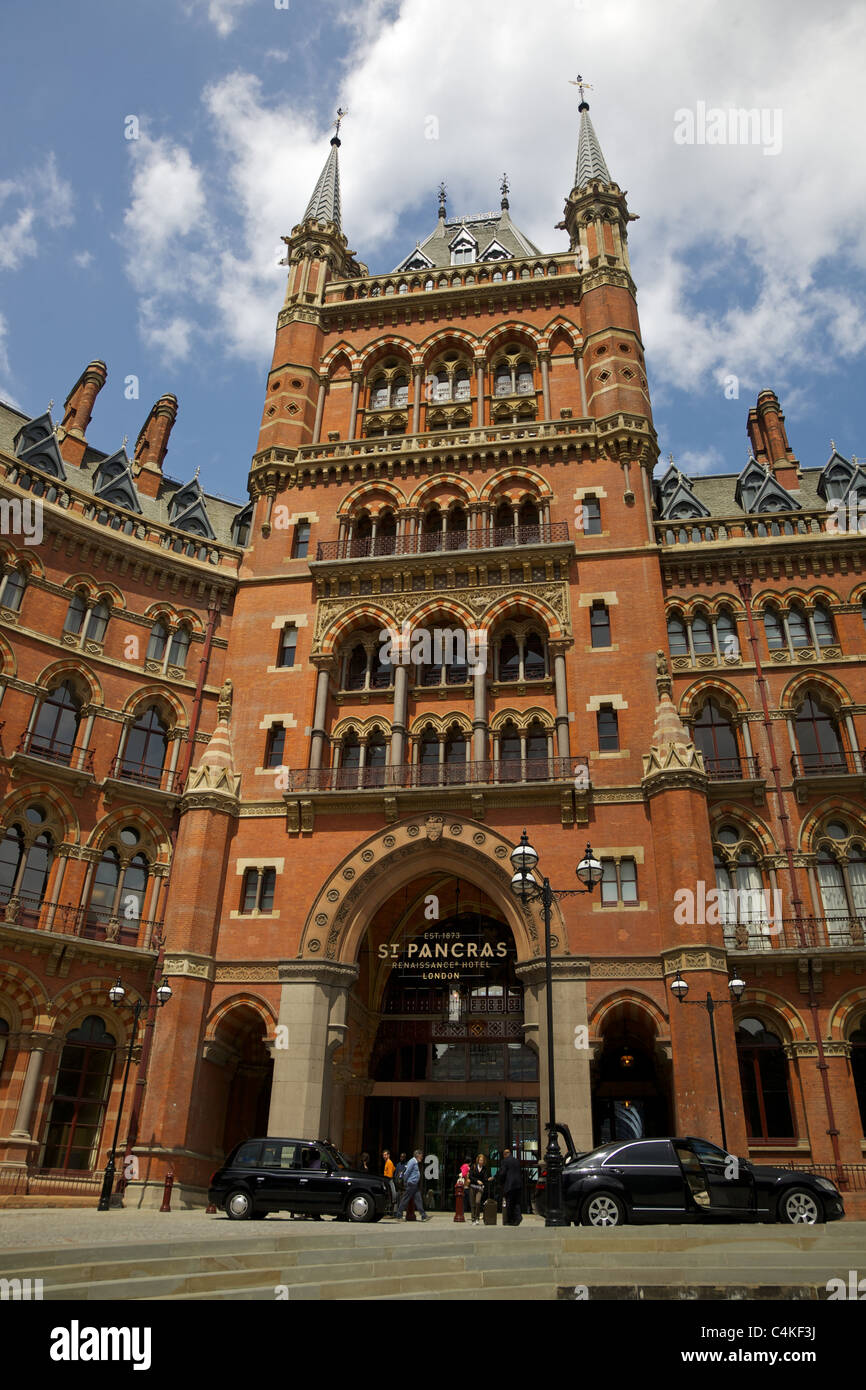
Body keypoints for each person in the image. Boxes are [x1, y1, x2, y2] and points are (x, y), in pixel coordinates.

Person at [395, 1149, 430, 1221]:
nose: (422, 1157)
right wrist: (405, 1182)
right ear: (418, 1155)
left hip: (414, 1184)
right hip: (410, 1184)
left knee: (418, 1200)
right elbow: (407, 1172)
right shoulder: (412, 1161)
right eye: (421, 1156)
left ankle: (423, 1215)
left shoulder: (415, 1162)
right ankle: (399, 1215)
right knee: (405, 1199)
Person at [499, 1148, 523, 1226]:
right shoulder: (516, 1160)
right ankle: (518, 1217)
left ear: (505, 1154)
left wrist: (500, 1181)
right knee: (516, 1202)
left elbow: (502, 1173)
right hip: (518, 1184)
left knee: (509, 1202)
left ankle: (510, 1220)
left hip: (509, 1185)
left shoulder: (504, 1161)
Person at [467, 1153, 489, 1225]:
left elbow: (485, 1178)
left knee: (477, 1202)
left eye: (482, 1160)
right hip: (472, 1187)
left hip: (480, 1188)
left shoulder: (485, 1169)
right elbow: (470, 1176)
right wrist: (477, 1181)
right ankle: (473, 1218)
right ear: (478, 1160)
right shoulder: (473, 1167)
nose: (481, 1162)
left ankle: (477, 1217)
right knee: (472, 1203)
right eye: (480, 1160)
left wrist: (488, 1179)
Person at [382, 1149, 397, 1214]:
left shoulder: (389, 1163)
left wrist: (386, 1182)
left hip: (388, 1180)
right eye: (383, 1155)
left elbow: (390, 1175)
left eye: (385, 1155)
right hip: (387, 1180)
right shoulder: (387, 1162)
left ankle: (390, 1212)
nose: (384, 1156)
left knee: (390, 1196)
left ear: (388, 1155)